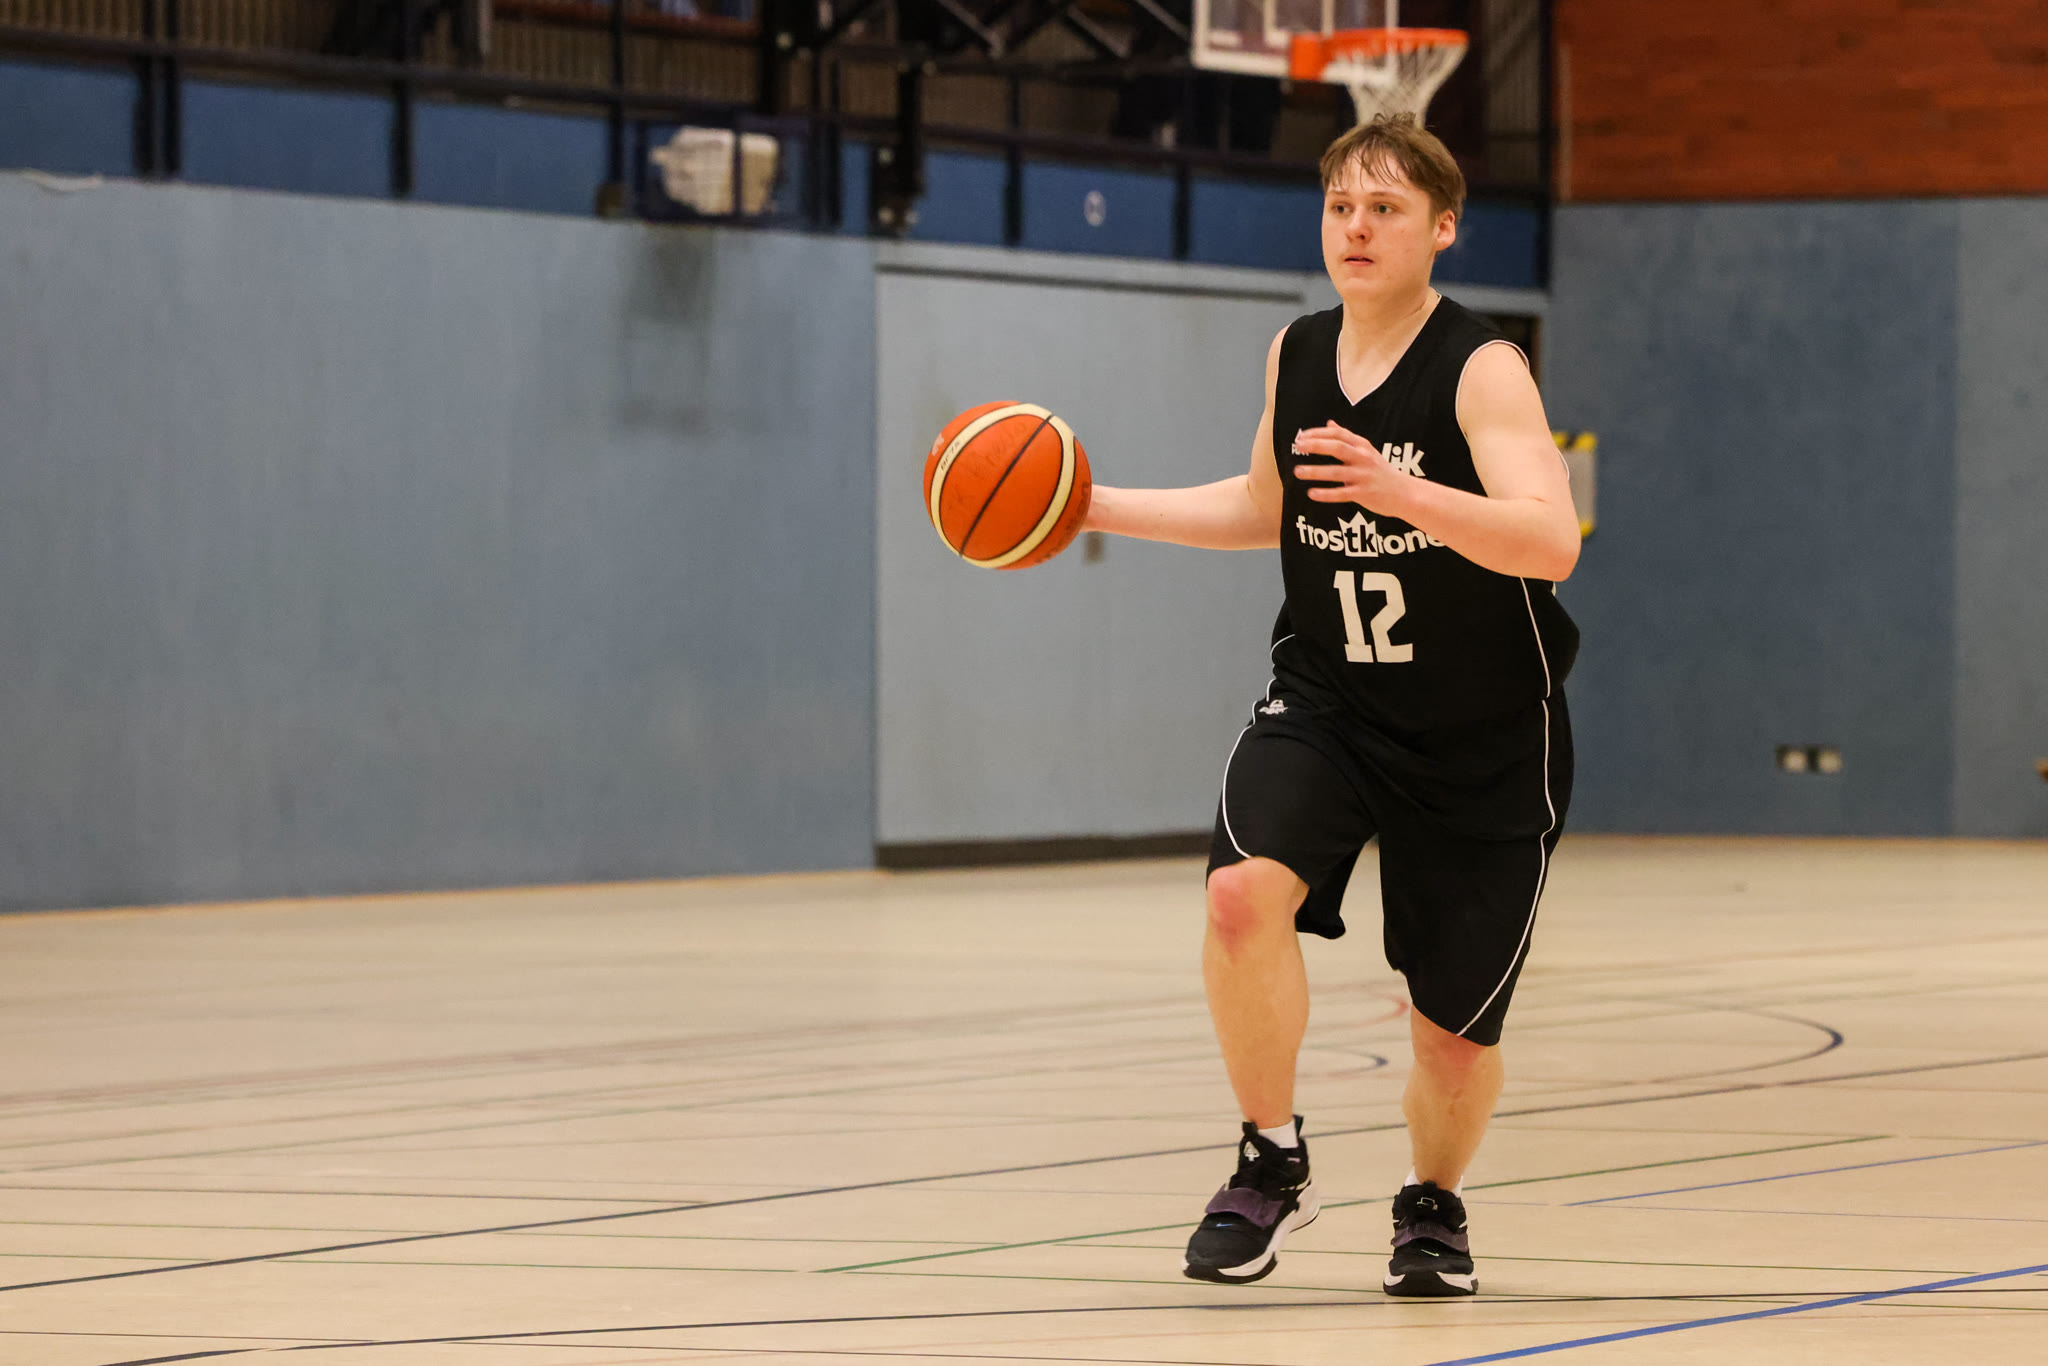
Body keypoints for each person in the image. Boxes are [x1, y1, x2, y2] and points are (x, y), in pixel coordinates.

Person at [1078, 114, 1580, 1297]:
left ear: (1441, 229)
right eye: (1339, 206)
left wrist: (1406, 495)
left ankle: (1431, 1204)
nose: (1355, 227)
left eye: (1384, 208)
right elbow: (1266, 506)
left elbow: (1549, 540)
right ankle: (1268, 1156)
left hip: (1480, 735)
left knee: (1449, 1035)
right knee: (1238, 895)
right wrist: (1091, 505)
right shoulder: (1296, 352)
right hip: (1329, 702)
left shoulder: (1481, 367)